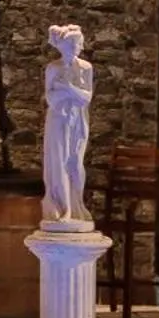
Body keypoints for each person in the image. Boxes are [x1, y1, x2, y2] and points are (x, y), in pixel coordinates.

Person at [41, 24, 94, 227]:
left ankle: (77, 204)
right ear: (65, 46)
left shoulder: (86, 68)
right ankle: (63, 209)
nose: (79, 47)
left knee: (75, 162)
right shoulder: (53, 68)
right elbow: (51, 98)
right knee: (59, 161)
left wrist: (68, 88)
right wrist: (70, 93)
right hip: (59, 119)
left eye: (80, 43)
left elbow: (86, 98)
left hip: (78, 119)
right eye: (76, 44)